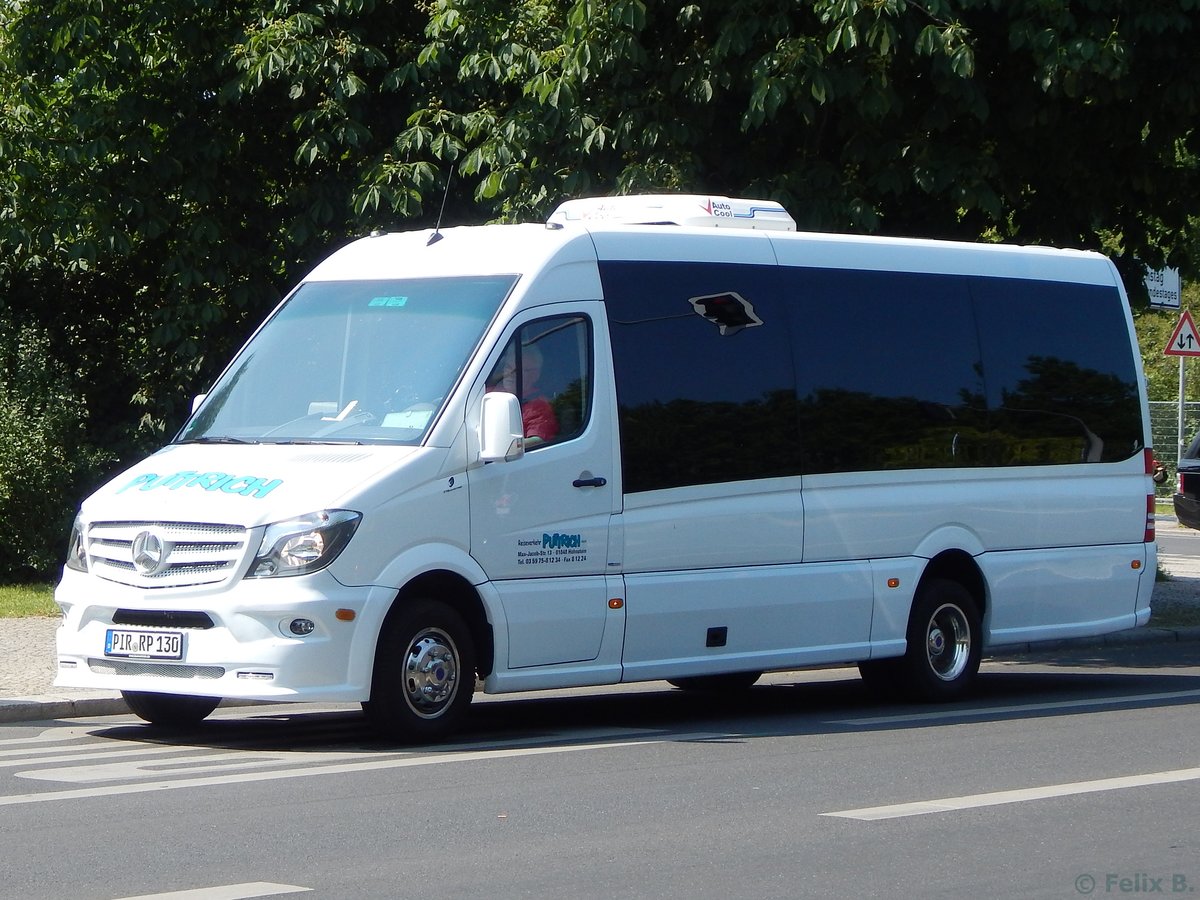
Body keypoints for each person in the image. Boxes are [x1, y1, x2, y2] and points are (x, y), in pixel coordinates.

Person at [487, 341, 559, 445]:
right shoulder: (488, 390)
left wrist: (504, 445)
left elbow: (537, 441)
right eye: (508, 367)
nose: (509, 374)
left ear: (535, 375)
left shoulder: (538, 406)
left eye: (518, 371)